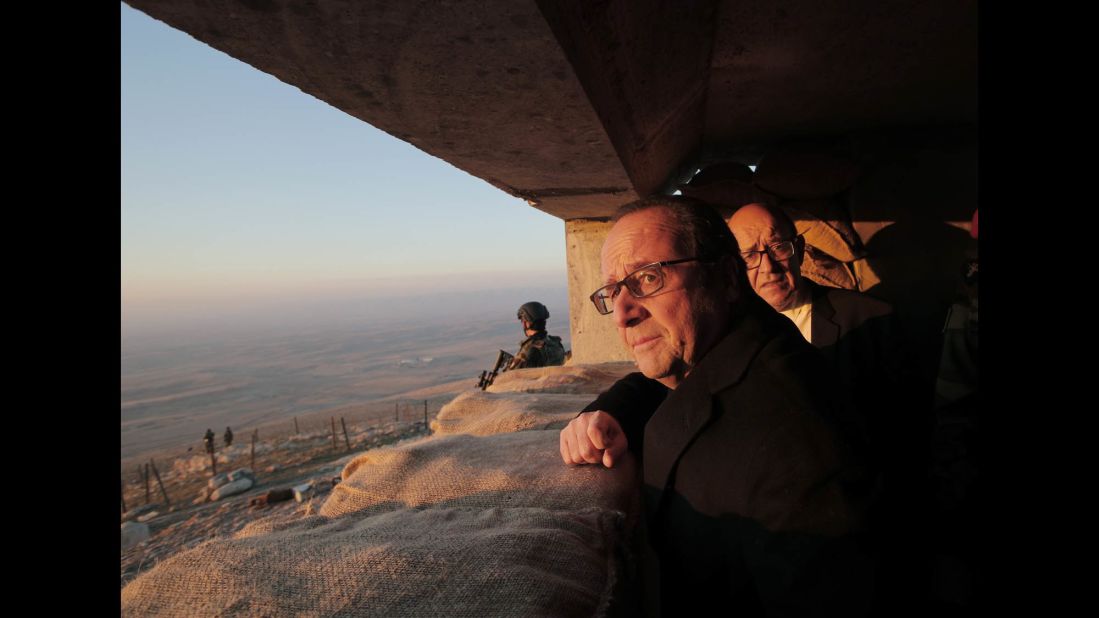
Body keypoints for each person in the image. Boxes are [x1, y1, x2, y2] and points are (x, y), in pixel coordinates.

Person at [558, 196, 873, 614]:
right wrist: (610, 412)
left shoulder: (793, 442)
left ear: (726, 277)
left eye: (647, 279)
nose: (622, 314)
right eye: (614, 291)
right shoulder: (730, 348)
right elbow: (671, 383)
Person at [506, 301, 566, 370]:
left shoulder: (529, 350)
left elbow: (513, 376)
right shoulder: (556, 343)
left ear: (525, 323)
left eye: (522, 321)